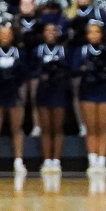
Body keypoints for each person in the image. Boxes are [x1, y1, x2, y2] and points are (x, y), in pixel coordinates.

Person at [72, 19, 106, 176]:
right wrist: (85, 69)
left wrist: (103, 69)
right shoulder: (82, 51)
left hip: (104, 90)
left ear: (102, 34)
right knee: (91, 127)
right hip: (88, 91)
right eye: (91, 32)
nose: (94, 35)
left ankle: (102, 160)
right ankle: (92, 160)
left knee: (102, 127)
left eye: (97, 32)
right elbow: (75, 69)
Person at [0, 21, 27, 176]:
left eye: (8, 34)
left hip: (13, 93)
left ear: (13, 36)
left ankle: (18, 161)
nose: (5, 37)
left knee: (16, 128)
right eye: (2, 34)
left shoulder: (19, 53)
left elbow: (23, 75)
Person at [32, 20, 71, 173]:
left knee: (58, 127)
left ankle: (57, 160)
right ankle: (47, 160)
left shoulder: (63, 50)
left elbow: (68, 69)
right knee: (46, 128)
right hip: (44, 90)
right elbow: (34, 70)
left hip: (59, 90)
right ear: (43, 33)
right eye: (47, 30)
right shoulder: (38, 50)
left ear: (58, 33)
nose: (50, 33)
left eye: (53, 30)